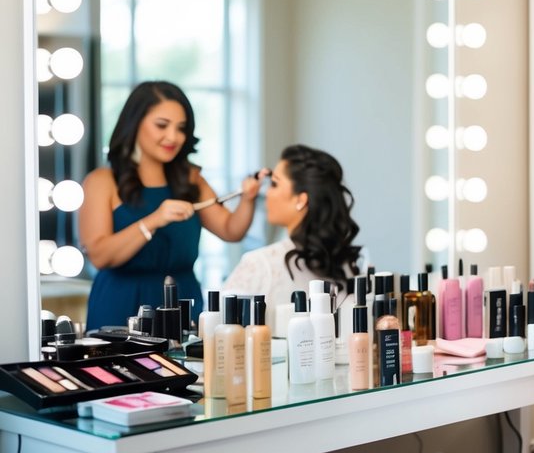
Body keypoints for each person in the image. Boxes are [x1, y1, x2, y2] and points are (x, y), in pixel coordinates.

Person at [80, 81, 262, 330]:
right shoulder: (102, 182)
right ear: (135, 123)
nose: (173, 137)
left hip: (183, 302)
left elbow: (231, 230)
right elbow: (100, 255)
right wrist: (154, 220)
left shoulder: (190, 178)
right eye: (162, 125)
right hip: (120, 305)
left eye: (181, 128)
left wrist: (248, 198)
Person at [222, 144, 361, 310]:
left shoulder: (259, 265)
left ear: (301, 200)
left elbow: (216, 331)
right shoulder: (347, 265)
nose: (266, 193)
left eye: (274, 184)